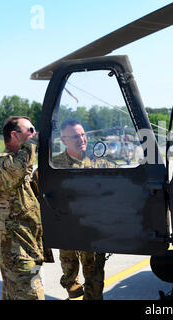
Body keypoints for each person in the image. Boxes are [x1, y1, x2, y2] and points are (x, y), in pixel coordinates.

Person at [52, 120, 116, 300]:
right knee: (69, 269)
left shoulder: (101, 163)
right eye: (75, 136)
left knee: (94, 277)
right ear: (64, 140)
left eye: (82, 135)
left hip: (93, 232)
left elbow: (119, 187)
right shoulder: (54, 166)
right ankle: (71, 285)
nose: (81, 139)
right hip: (67, 230)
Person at [0, 116, 45, 300]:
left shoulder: (21, 166)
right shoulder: (1, 164)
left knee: (14, 296)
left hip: (29, 245)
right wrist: (34, 141)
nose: (34, 134)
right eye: (30, 130)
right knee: (33, 296)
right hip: (14, 248)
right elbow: (19, 168)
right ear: (15, 135)